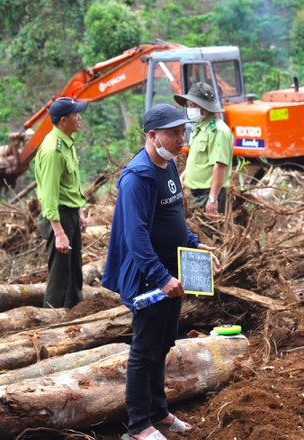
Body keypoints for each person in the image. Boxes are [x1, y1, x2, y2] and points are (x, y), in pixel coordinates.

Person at [102, 103, 220, 440]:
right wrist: (160, 277)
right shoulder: (137, 177)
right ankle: (139, 424)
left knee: (163, 343)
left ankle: (159, 411)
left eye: (183, 131)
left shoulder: (167, 165)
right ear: (153, 135)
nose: (181, 138)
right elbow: (135, 235)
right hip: (149, 278)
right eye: (174, 132)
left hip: (173, 270)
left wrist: (195, 244)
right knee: (145, 348)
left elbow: (174, 219)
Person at [34, 97, 88, 309]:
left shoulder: (67, 142)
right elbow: (49, 194)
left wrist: (80, 211)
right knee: (59, 275)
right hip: (58, 216)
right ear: (64, 120)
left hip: (70, 213)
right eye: (76, 115)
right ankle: (51, 318)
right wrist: (58, 232)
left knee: (74, 271)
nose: (80, 118)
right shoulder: (53, 150)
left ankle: (75, 314)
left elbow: (71, 183)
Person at [174, 83, 233, 214]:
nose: (190, 109)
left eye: (193, 105)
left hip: (208, 194)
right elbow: (195, 161)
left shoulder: (218, 131)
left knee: (209, 232)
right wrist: (183, 178)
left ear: (204, 107)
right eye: (188, 105)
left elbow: (219, 166)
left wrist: (212, 199)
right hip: (196, 194)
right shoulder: (199, 129)